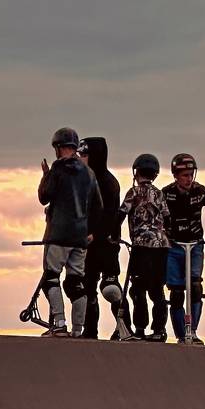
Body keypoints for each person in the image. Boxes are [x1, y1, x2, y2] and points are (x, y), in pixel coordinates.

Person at [36, 127, 101, 337]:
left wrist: (46, 176)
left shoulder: (58, 168)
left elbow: (44, 197)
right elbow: (98, 206)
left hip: (58, 235)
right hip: (80, 237)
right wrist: (90, 230)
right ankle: (77, 329)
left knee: (51, 278)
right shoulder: (89, 173)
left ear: (58, 147)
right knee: (75, 282)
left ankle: (60, 323)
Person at [161, 152, 205, 344]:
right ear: (176, 175)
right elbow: (156, 217)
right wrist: (162, 235)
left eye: (191, 175)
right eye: (184, 175)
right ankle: (181, 335)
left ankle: (194, 331)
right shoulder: (166, 193)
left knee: (196, 287)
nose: (189, 179)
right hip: (174, 246)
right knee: (176, 292)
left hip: (195, 245)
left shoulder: (200, 191)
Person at [119, 153, 170, 341]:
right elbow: (168, 218)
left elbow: (121, 214)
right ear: (155, 174)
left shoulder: (133, 192)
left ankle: (140, 328)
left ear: (136, 172)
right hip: (161, 245)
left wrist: (112, 235)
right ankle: (159, 330)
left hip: (141, 246)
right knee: (157, 289)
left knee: (138, 289)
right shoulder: (159, 194)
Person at [79, 137, 123, 339]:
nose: (81, 158)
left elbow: (110, 216)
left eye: (84, 155)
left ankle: (124, 328)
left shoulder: (108, 182)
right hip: (87, 245)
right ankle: (90, 330)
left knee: (110, 288)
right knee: (87, 287)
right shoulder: (85, 180)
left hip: (106, 244)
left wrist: (96, 234)